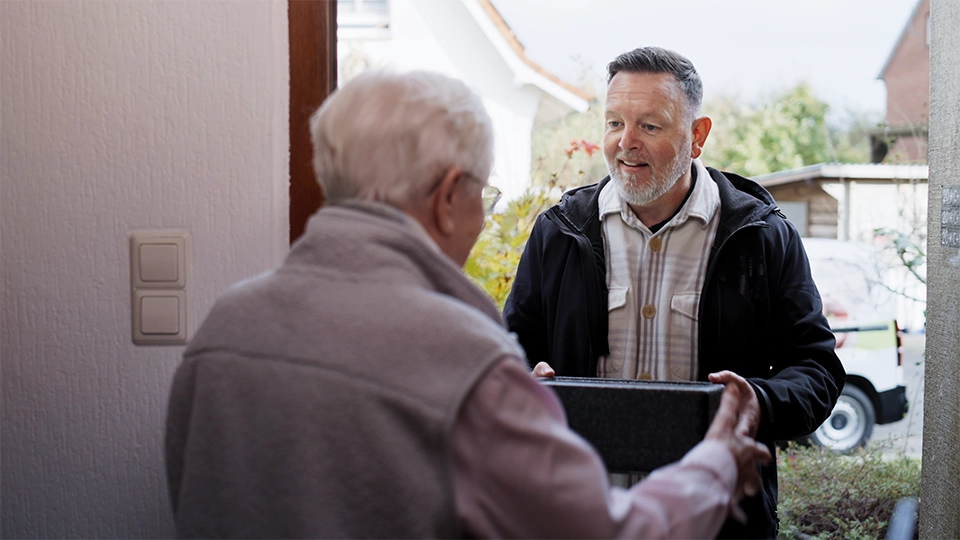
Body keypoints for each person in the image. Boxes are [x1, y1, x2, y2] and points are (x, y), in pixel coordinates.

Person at [164, 69, 772, 539]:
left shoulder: (224, 326)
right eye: (483, 192)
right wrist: (717, 464)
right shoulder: (460, 359)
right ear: (450, 196)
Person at [503, 47, 846, 539]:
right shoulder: (560, 232)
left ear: (697, 136)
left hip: (718, 523)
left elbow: (817, 369)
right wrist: (523, 383)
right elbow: (509, 353)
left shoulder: (761, 235)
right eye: (614, 122)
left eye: (650, 126)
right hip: (580, 518)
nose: (626, 142)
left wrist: (759, 402)